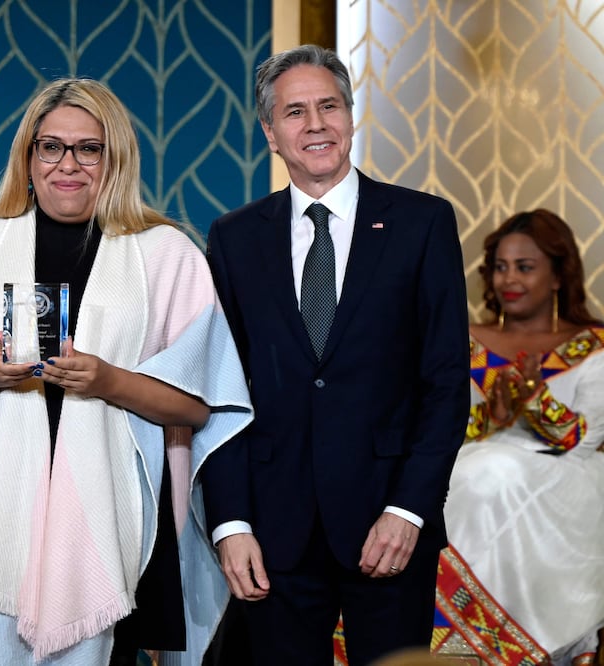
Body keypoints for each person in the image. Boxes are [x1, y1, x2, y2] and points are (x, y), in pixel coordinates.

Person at [0, 77, 253, 665]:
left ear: (114, 157)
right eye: (51, 147)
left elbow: (200, 407)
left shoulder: (165, 253)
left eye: (88, 148)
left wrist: (108, 381)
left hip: (118, 525)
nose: (68, 164)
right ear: (29, 155)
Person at [201, 44, 471, 664]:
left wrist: (410, 510)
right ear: (271, 133)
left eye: (329, 106)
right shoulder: (234, 237)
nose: (315, 124)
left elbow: (447, 381)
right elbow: (219, 387)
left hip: (389, 522)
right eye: (295, 112)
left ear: (351, 116)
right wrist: (231, 523)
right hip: (273, 532)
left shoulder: (421, 222)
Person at [439, 209, 604, 665]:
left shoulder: (594, 345)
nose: (508, 278)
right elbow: (437, 424)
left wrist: (535, 399)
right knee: (455, 475)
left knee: (493, 473)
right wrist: (492, 416)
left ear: (557, 276)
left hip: (563, 474)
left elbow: (584, 439)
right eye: (500, 266)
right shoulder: (462, 339)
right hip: (469, 462)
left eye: (525, 267)